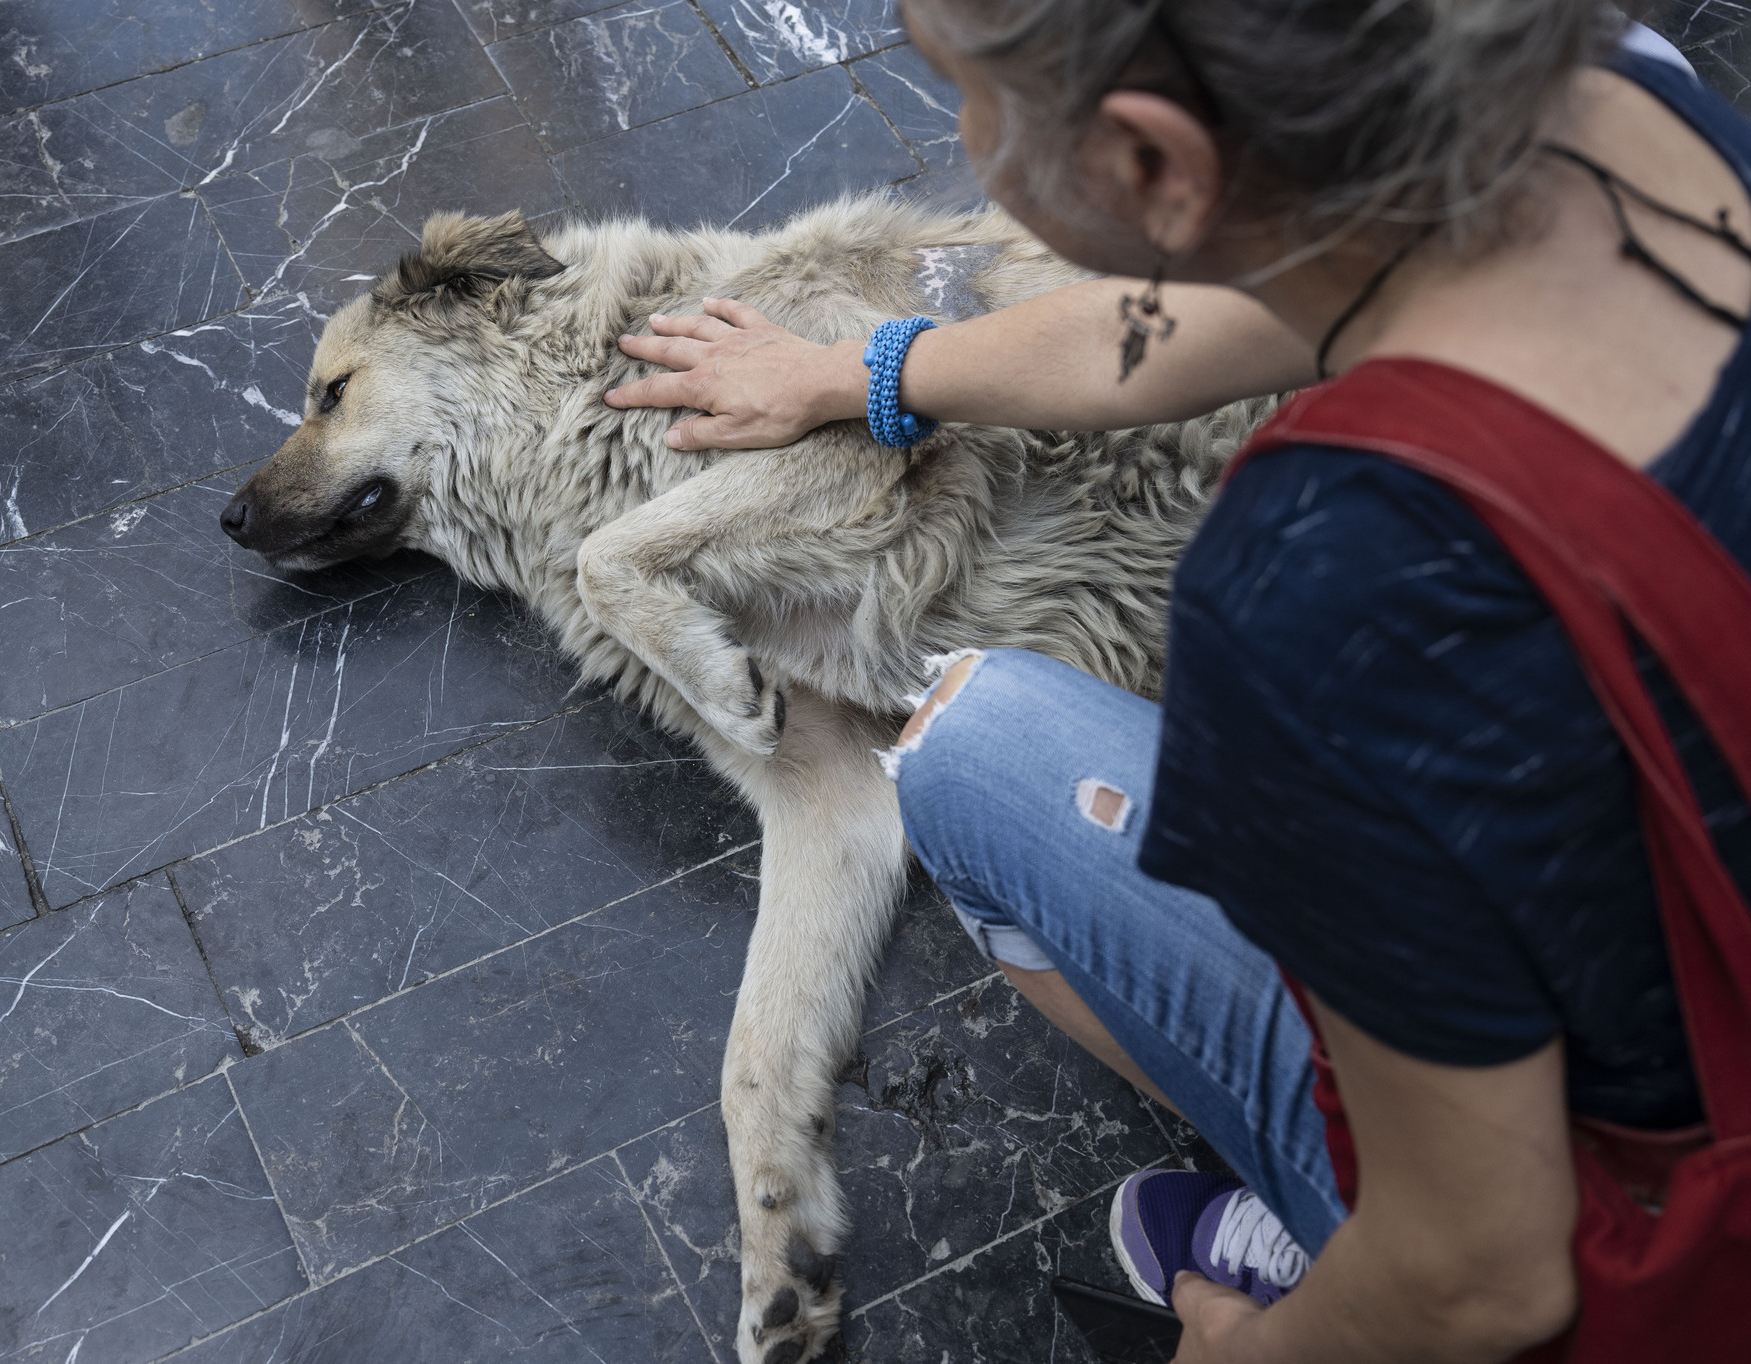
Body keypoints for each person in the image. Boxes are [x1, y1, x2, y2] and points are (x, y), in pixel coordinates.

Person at [603, 3, 1750, 1361]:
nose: (967, 142)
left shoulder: (1327, 578)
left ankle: (1311, 1232)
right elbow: (1152, 333)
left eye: (970, 98)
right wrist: (860, 372)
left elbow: (1484, 1275)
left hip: (1647, 1216)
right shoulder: (1619, 94)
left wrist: (1261, 1349)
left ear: (1152, 161)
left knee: (969, 751)